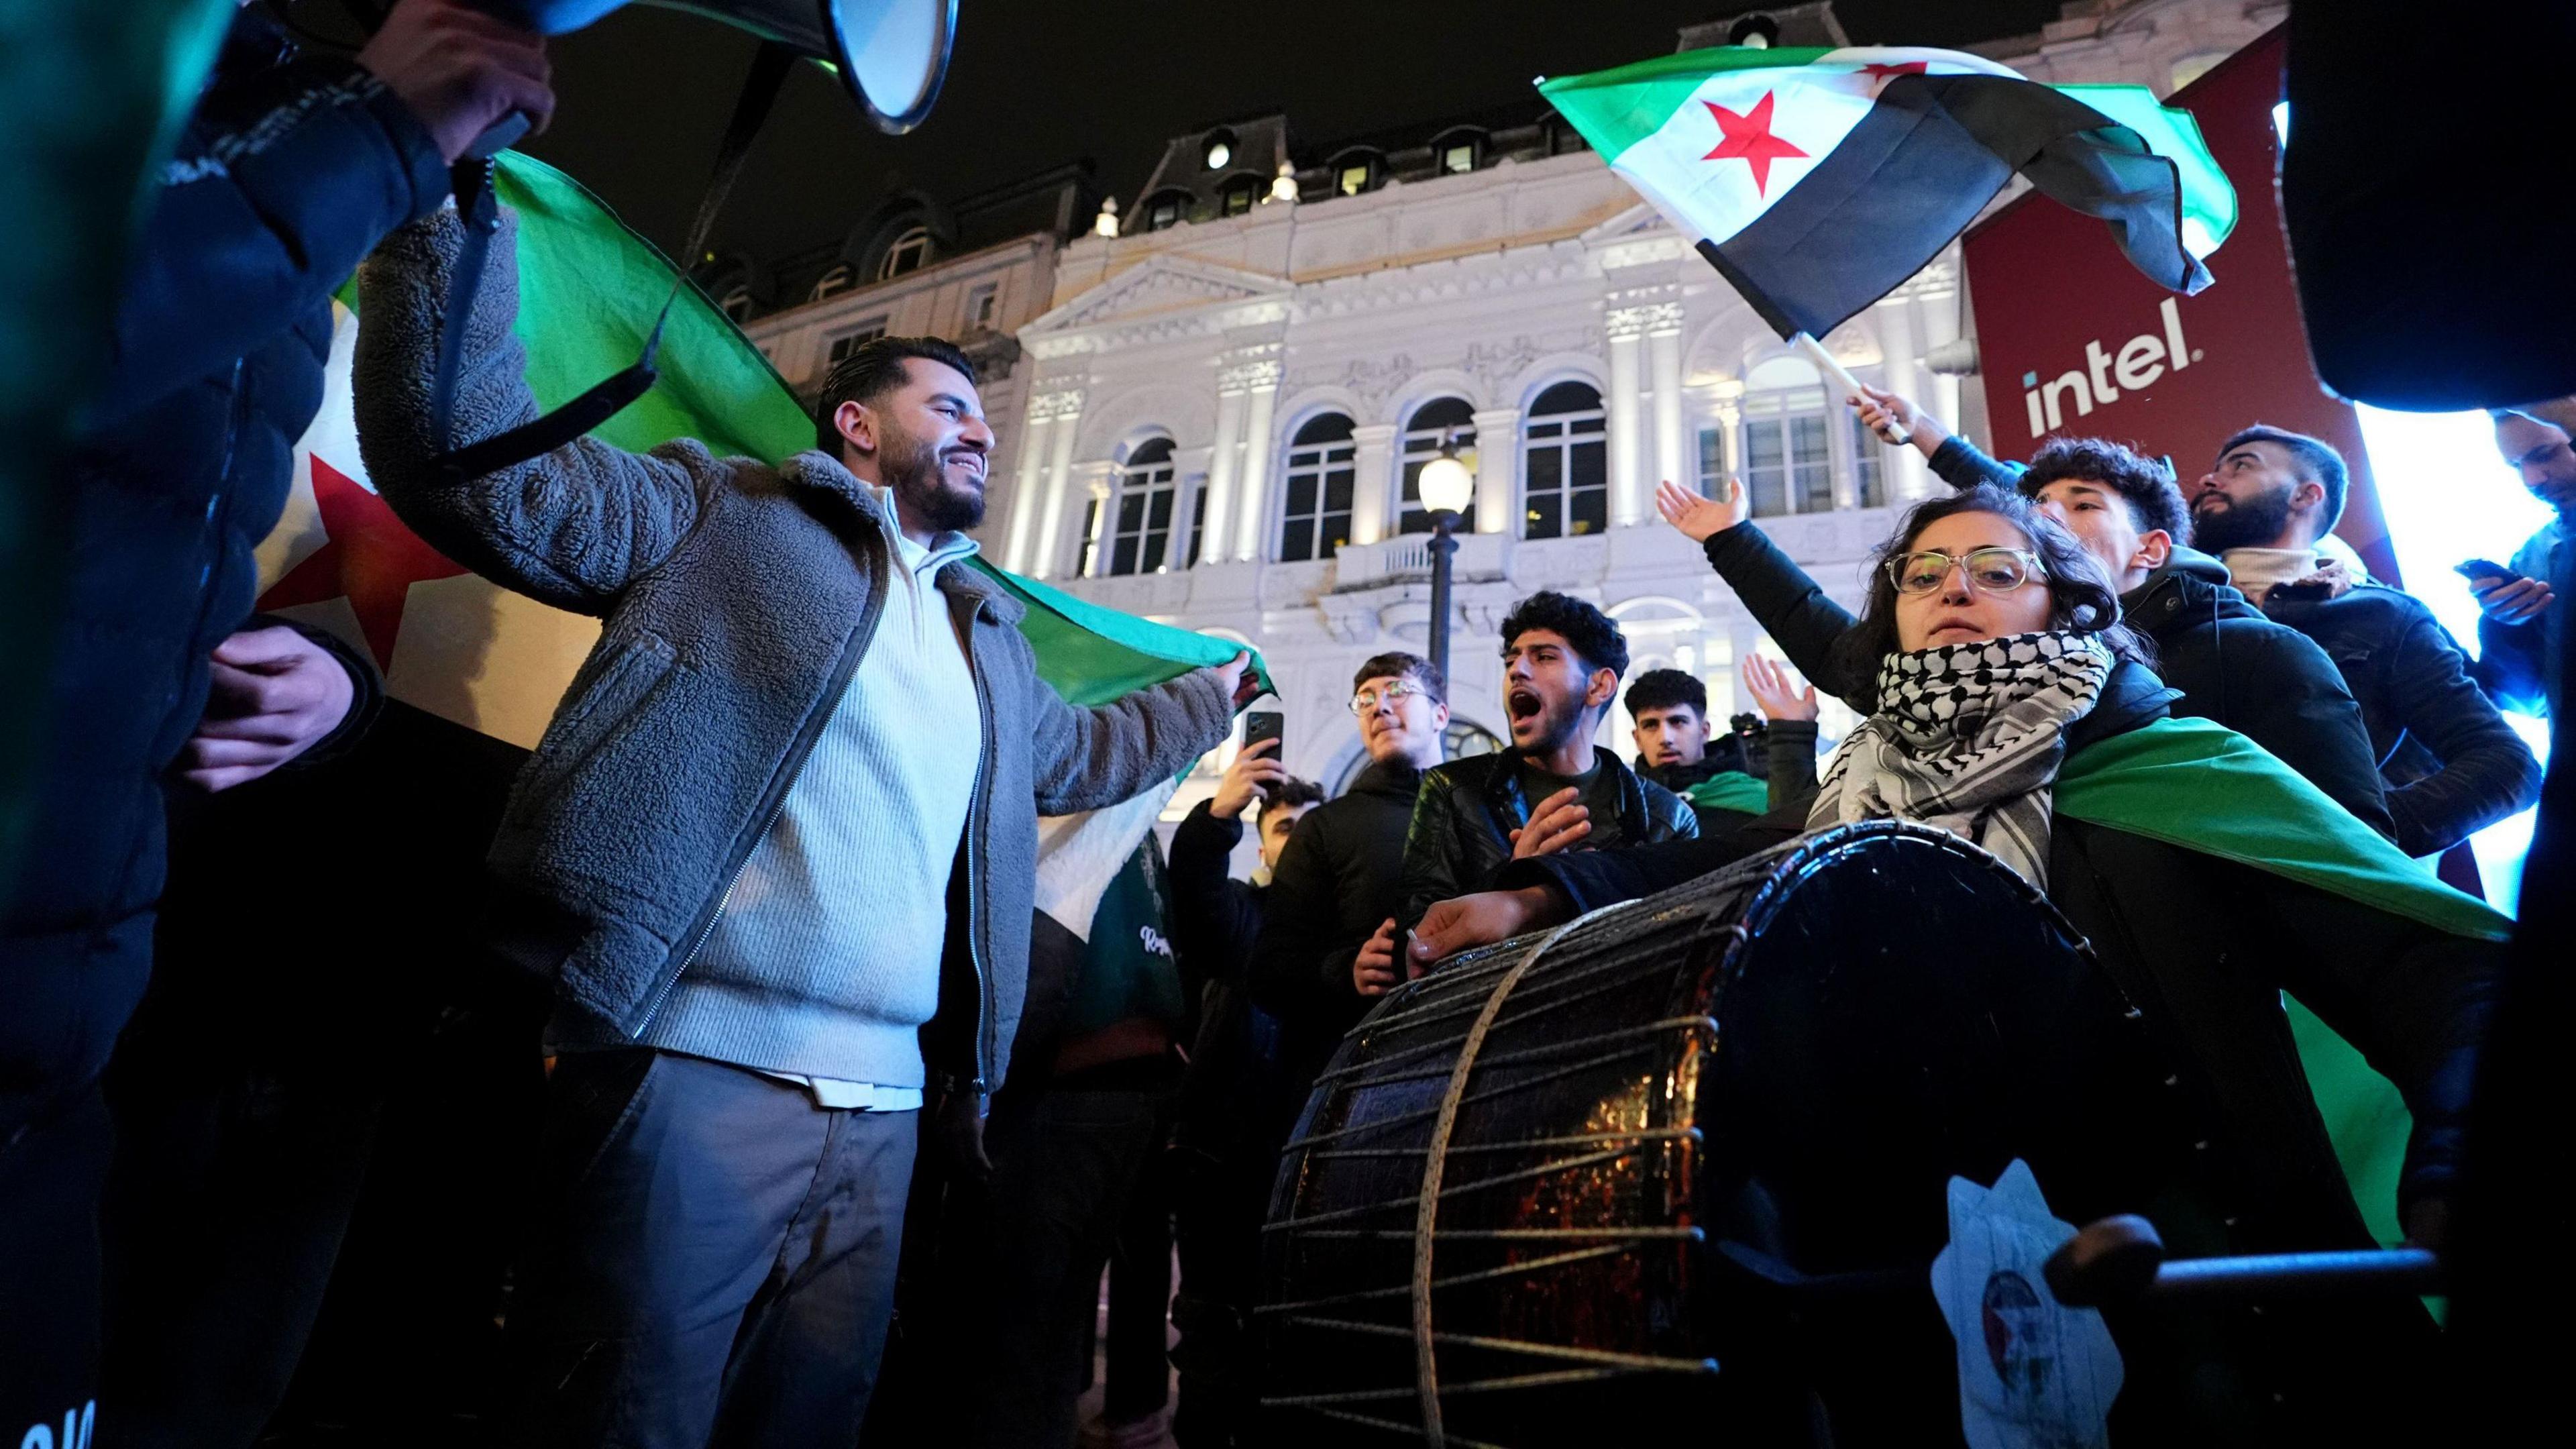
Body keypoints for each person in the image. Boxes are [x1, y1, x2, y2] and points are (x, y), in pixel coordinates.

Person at [353, 178, 1251, 1444]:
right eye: (950, 406)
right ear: (858, 427)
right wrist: (447, 201)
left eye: (986, 416)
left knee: (812, 1426)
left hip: (890, 1116)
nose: (982, 432)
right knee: (620, 1414)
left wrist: (1208, 702)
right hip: (688, 1067)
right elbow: (481, 472)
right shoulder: (724, 514)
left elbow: (1084, 758)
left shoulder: (985, 638)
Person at [1412, 484, 2500, 1442]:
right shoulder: (1850, 801)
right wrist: (1541, 892)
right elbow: (1725, 860)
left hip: (2212, 1308)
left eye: (1996, 567)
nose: (1954, 585)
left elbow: (2437, 976)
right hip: (1923, 1311)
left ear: (2066, 607)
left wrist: (2456, 1173)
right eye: (1923, 571)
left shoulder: (2180, 768)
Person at [0, 0, 551, 1432]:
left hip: (59, 1059)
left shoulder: (259, 109)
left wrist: (325, 688)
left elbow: (138, 526)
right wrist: (369, 136)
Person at [1794, 389, 2401, 839]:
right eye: (1925, 576)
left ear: (2151, 549)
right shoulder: (1899, 741)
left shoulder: (2252, 655)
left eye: (2082, 505)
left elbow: (2356, 858)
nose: (2048, 518)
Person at [2191, 424, 2540, 855]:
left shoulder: (2384, 616)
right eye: (2214, 469)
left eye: (2241, 467)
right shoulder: (2175, 613)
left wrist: (2358, 839)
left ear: (2306, 495)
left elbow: (2508, 766)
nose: (2210, 479)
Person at [1162, 744, 1321, 1448]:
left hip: (1315, 1167)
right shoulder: (1240, 918)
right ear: (1261, 842)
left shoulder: (1356, 930)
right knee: (1212, 1333)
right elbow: (1194, 889)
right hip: (1227, 1161)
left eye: (1314, 831)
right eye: (1286, 829)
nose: (1300, 843)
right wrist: (1219, 814)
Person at [1399, 592, 1698, 930]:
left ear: (1599, 686)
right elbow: (1415, 938)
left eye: (1543, 657)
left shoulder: (1667, 818)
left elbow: (1678, 940)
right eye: (1511, 662)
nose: (1517, 671)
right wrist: (1513, 885)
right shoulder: (1453, 790)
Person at [1248, 654, 1446, 1122]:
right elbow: (1270, 970)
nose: (1379, 707)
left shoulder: (1479, 814)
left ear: (1440, 713)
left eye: (1397, 691)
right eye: (1366, 700)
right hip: (1356, 1087)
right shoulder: (1324, 828)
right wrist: (1347, 969)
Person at [2471, 405, 2571, 721]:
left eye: (2544, 454)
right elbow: (2526, 702)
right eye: (2516, 465)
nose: (2531, 480)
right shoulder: (2535, 555)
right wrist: (2507, 628)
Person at [1624, 667, 1768, 832]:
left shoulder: (1757, 797)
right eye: (1651, 725)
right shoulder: (1622, 806)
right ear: (1637, 739)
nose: (1665, 738)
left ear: (1704, 731)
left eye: (1677, 722)